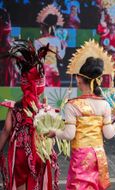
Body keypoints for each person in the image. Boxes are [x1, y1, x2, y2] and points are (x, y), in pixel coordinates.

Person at [46, 40, 115, 189]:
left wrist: (54, 133)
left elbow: (69, 135)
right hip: (98, 155)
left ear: (78, 78)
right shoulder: (104, 104)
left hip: (81, 156)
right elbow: (108, 134)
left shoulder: (72, 105)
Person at [0, 40, 58, 190]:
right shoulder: (45, 110)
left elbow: (6, 131)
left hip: (19, 153)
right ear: (41, 87)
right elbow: (51, 134)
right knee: (38, 184)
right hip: (39, 153)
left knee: (19, 184)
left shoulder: (14, 108)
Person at [34, 4, 66, 87]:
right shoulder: (56, 40)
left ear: (42, 26)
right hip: (53, 71)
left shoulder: (37, 41)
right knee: (53, 96)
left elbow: (35, 59)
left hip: (42, 71)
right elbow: (60, 57)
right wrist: (64, 47)